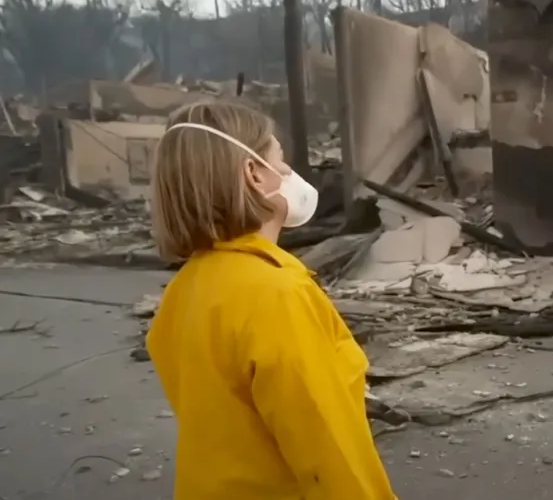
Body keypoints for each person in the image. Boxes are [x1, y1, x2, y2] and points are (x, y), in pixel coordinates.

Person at [146, 101, 396, 500]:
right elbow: (329, 448)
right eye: (280, 162)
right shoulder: (275, 295)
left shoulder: (186, 288)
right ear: (253, 174)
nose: (289, 175)